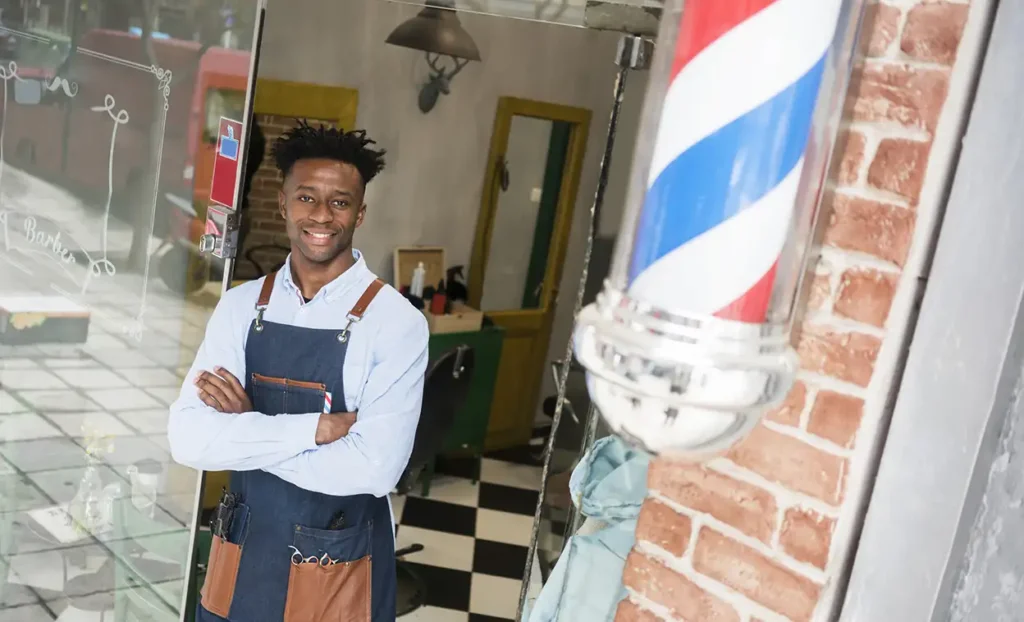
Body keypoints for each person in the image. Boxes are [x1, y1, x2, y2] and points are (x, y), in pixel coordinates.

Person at [167, 121, 428, 622]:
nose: (322, 216)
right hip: (242, 548)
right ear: (283, 204)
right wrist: (317, 429)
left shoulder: (396, 323)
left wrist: (246, 429)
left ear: (360, 212)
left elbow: (374, 468)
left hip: (337, 559)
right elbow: (189, 440)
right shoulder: (241, 307)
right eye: (307, 198)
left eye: (340, 202)